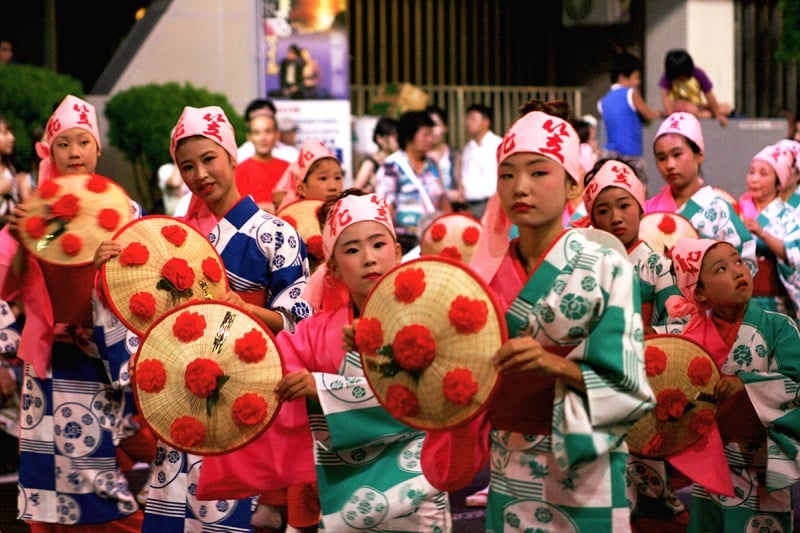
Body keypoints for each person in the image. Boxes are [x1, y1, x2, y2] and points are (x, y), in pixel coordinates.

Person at [421, 100, 655, 531]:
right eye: (507, 175)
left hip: (586, 464)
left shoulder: (607, 264)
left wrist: (557, 365)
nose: (520, 187)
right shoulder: (482, 277)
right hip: (508, 459)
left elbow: (630, 383)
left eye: (538, 171)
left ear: (572, 186)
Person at [97, 105, 313, 531]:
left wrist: (250, 312)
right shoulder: (174, 237)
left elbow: (299, 320)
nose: (199, 174)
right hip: (180, 398)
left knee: (233, 516)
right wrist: (107, 269)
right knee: (172, 514)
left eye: (209, 159)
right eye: (187, 166)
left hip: (243, 394)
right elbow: (147, 318)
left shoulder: (276, 232)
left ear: (232, 155)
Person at [1, 94, 143, 531]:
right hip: (50, 360)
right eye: (64, 143)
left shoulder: (126, 210)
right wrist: (24, 241)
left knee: (99, 475)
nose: (75, 152)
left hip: (106, 361)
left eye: (84, 142)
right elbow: (7, 286)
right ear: (51, 151)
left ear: (98, 149)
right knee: (45, 480)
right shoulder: (35, 212)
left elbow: (141, 290)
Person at [275, 190, 453, 530]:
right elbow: (270, 371)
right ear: (334, 268)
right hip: (348, 499)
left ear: (398, 252)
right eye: (352, 250)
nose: (369, 258)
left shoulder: (429, 318)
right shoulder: (315, 332)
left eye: (378, 244)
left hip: (418, 491)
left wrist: (323, 389)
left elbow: (430, 397)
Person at [665, 237, 800, 531]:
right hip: (711, 463)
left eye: (738, 261)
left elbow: (796, 382)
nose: (739, 271)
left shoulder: (779, 326)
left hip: (761, 462)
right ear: (699, 292)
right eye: (721, 268)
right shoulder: (690, 340)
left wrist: (745, 384)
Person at [646, 112, 757, 273]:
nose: (670, 164)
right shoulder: (649, 209)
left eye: (677, 154)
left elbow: (745, 265)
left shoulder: (720, 210)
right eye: (662, 158)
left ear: (699, 156)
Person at [583, 158, 682, 333]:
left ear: (641, 209)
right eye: (603, 211)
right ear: (594, 222)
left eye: (624, 205)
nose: (616, 218)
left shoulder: (659, 267)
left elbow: (679, 328)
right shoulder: (587, 268)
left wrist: (635, 332)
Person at [738, 143, 800, 323]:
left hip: (775, 298)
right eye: (751, 172)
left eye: (763, 173)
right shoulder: (738, 208)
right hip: (740, 298)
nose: (754, 179)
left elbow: (794, 254)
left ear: (779, 183)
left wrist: (762, 234)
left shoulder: (789, 216)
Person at [375, 110, 451, 254]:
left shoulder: (433, 165)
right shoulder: (392, 166)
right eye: (425, 134)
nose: (430, 139)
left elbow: (443, 200)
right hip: (404, 241)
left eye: (431, 134)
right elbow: (385, 207)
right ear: (410, 136)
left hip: (433, 239)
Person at [597, 51, 663, 185]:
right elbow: (648, 115)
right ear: (623, 77)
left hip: (609, 155)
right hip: (631, 154)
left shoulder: (602, 102)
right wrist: (660, 113)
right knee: (639, 189)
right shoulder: (631, 93)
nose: (638, 82)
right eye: (636, 77)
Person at [235, 111, 290, 214]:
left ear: (277, 135)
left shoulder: (288, 169)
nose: (263, 138)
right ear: (249, 137)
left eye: (268, 131)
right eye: (257, 133)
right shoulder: (238, 171)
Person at [659, 49, 731, 127]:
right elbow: (665, 97)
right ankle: (697, 115)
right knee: (691, 109)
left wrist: (718, 114)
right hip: (678, 105)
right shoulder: (668, 76)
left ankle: (699, 115)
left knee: (727, 108)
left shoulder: (698, 73)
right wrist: (671, 115)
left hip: (696, 105)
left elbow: (709, 94)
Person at [272, 138, 344, 212]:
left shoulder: (349, 215)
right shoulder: (293, 221)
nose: (333, 187)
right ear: (302, 189)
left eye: (337, 178)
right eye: (323, 178)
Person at [460, 103, 502, 219]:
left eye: (473, 118)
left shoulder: (497, 145)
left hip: (491, 204)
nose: (468, 122)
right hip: (468, 205)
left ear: (486, 122)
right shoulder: (468, 148)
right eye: (467, 118)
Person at [426, 105, 464, 209]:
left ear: (445, 127)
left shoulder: (453, 154)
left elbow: (459, 181)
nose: (432, 130)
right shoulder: (420, 156)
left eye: (436, 125)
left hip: (452, 210)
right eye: (428, 126)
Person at [352, 116, 399, 194]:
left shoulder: (397, 160)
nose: (398, 140)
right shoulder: (370, 163)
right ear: (379, 138)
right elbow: (354, 192)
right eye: (394, 136)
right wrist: (373, 187)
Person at [237, 98, 277, 163]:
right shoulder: (240, 156)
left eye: (267, 115)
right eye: (256, 116)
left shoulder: (289, 154)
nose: (263, 137)